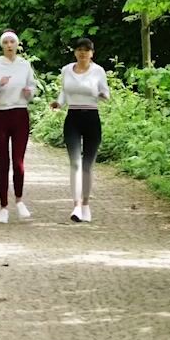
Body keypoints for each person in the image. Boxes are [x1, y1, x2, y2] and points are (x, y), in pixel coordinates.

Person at [0, 30, 37, 223]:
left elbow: (33, 88)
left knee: (18, 162)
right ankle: (3, 207)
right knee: (3, 163)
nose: (9, 45)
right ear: (2, 46)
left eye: (12, 42)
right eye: (6, 42)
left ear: (17, 45)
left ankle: (19, 201)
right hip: (0, 116)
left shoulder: (24, 65)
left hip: (20, 114)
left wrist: (29, 92)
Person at [50, 35, 111, 222]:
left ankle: (85, 204)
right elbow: (64, 92)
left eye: (86, 50)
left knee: (87, 166)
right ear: (75, 52)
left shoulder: (98, 71)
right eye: (79, 50)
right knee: (75, 163)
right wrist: (58, 103)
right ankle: (76, 206)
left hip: (92, 117)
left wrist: (101, 94)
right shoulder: (66, 70)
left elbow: (106, 94)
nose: (82, 53)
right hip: (73, 118)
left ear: (92, 53)